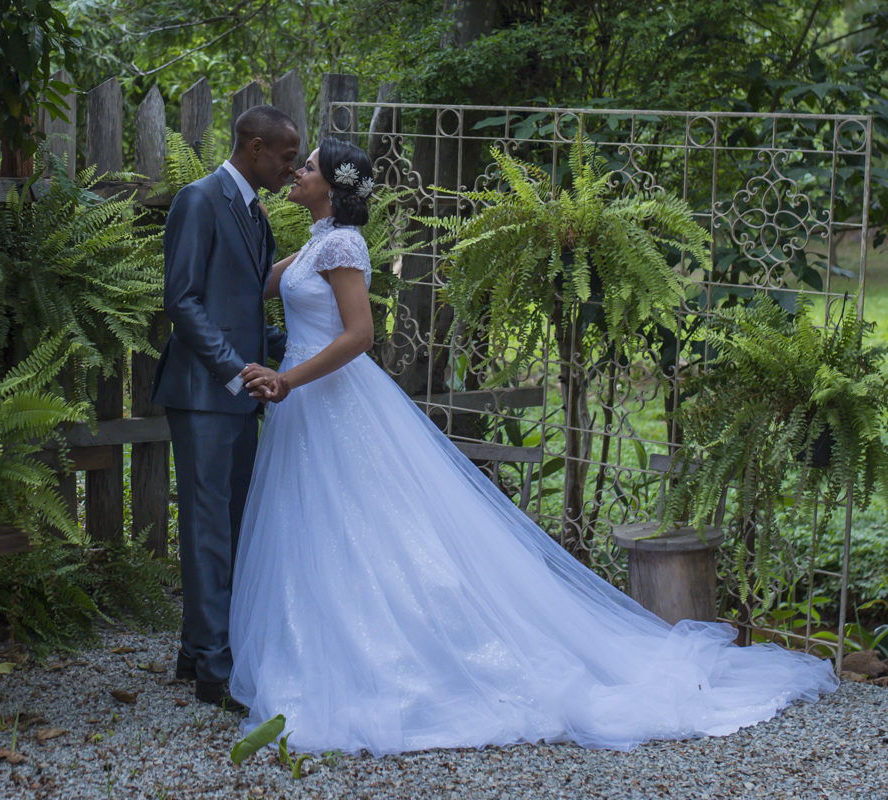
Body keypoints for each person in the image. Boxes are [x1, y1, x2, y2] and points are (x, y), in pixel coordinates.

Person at [228, 136, 839, 755]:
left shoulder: (341, 244)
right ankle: (327, 641)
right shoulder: (315, 241)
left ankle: (397, 654)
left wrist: (285, 377)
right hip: (306, 405)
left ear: (332, 185)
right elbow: (259, 285)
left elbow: (359, 335)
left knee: (364, 522)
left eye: (306, 167)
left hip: (326, 394)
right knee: (321, 525)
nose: (297, 172)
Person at [150, 105, 300, 709]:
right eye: (287, 158)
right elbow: (182, 302)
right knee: (210, 529)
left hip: (240, 398)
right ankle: (214, 669)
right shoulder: (199, 198)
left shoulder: (251, 208)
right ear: (256, 146)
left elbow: (243, 299)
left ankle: (197, 651)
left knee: (236, 524)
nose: (292, 170)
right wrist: (237, 369)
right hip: (205, 394)